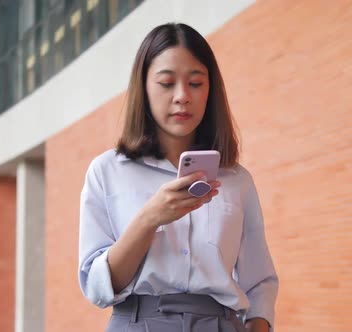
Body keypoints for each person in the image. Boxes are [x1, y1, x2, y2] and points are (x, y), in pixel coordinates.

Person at [78, 23, 278, 332]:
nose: (182, 96)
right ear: (144, 88)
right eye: (167, 83)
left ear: (210, 90)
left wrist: (259, 324)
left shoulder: (237, 180)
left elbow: (259, 279)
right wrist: (149, 218)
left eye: (196, 83)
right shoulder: (107, 172)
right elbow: (98, 288)